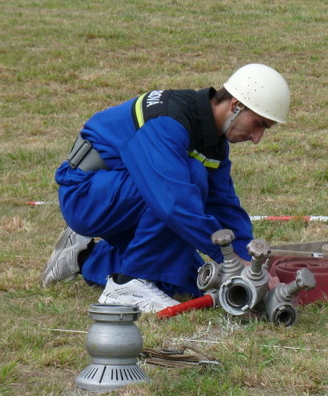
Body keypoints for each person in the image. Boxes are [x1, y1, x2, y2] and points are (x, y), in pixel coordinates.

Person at [41, 63, 290, 311]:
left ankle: (82, 257)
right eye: (258, 124)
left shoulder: (213, 139)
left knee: (186, 279)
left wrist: (249, 262)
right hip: (84, 196)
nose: (257, 138)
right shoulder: (167, 120)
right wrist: (227, 258)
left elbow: (224, 205)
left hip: (124, 196)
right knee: (191, 176)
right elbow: (173, 202)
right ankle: (128, 283)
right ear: (236, 106)